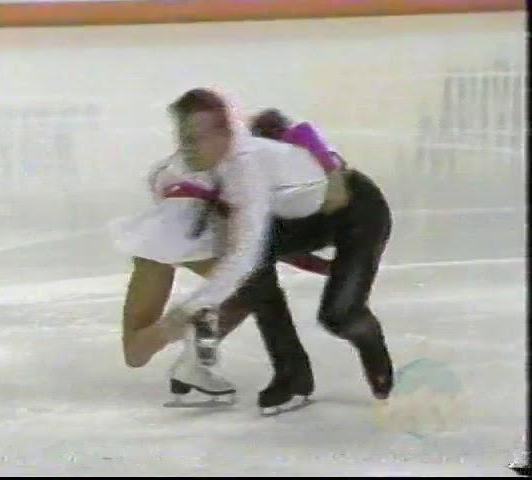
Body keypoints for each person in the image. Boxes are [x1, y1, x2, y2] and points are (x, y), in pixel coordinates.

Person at [156, 89, 394, 410]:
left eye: (195, 136)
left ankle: (369, 340)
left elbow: (246, 252)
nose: (187, 145)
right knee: (254, 273)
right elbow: (165, 182)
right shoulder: (208, 157)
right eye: (182, 135)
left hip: (356, 211)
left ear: (222, 133)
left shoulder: (247, 167)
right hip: (299, 219)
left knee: (339, 315)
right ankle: (293, 375)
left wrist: (190, 308)